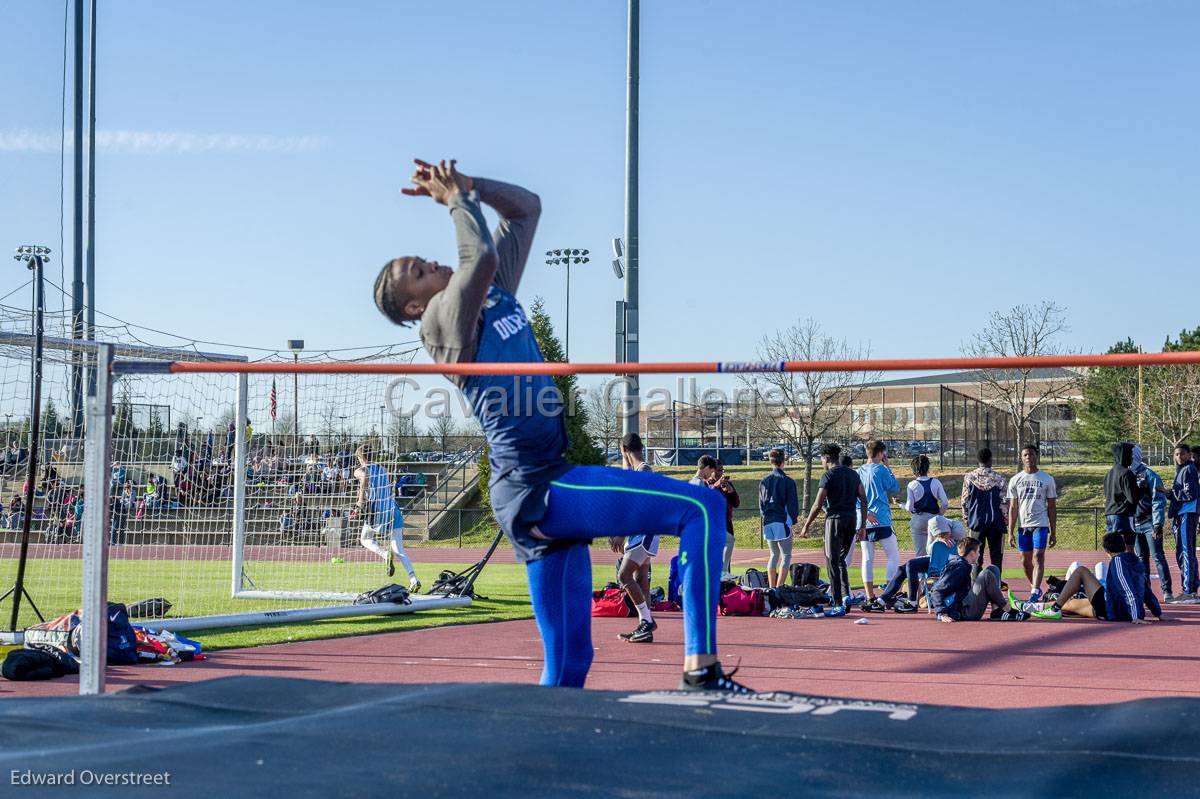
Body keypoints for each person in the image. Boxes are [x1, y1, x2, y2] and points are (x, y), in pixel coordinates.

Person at [373, 159, 743, 691]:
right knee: (702, 506)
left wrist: (473, 186)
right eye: (418, 270)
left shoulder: (492, 293)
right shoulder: (439, 323)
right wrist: (455, 199)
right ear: (413, 305)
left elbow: (527, 209)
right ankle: (702, 669)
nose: (431, 262)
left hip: (538, 488)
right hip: (538, 486)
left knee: (570, 665)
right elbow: (478, 253)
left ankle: (536, 752)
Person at [1022, 533, 1163, 623]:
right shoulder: (1136, 561)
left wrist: (1135, 616)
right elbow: (1146, 590)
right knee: (1072, 606)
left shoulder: (1118, 561)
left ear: (1107, 551)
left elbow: (1126, 588)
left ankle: (1051, 609)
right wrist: (1157, 612)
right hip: (1117, 606)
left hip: (1114, 611)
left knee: (1081, 572)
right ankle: (1039, 607)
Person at [799, 443, 867, 611]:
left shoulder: (828, 475)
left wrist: (806, 525)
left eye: (821, 459)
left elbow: (817, 504)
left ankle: (837, 603)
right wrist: (863, 525)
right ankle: (846, 596)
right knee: (841, 560)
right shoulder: (853, 475)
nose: (821, 462)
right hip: (851, 519)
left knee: (832, 561)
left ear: (826, 458)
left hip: (834, 520)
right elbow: (863, 499)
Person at [607, 432, 659, 644]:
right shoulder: (639, 471)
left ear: (626, 451)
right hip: (643, 533)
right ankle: (644, 627)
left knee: (624, 576)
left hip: (644, 533)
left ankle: (647, 621)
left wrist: (620, 534)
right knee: (640, 582)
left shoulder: (644, 470)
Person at [353, 444, 420, 592]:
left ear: (360, 457)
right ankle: (414, 579)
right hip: (393, 509)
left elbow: (364, 476)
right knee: (399, 549)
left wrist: (360, 500)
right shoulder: (383, 469)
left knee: (365, 539)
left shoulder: (360, 470)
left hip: (378, 510)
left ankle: (384, 554)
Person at [865, 515, 966, 612]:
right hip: (934, 560)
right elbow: (929, 550)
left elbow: (962, 551)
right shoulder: (931, 525)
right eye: (939, 535)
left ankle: (912, 602)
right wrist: (938, 542)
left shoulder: (958, 528)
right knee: (902, 569)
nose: (944, 537)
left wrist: (946, 545)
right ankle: (881, 601)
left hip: (950, 563)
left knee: (911, 564)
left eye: (944, 534)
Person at [929, 538, 1028, 622]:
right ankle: (1007, 608)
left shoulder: (963, 565)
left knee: (993, 569)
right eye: (978, 552)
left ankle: (996, 611)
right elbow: (936, 589)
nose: (979, 555)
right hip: (964, 612)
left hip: (964, 603)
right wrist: (942, 614)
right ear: (972, 554)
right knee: (986, 574)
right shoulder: (958, 567)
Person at [1007, 444, 1058, 603]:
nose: (1028, 457)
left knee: (1038, 557)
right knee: (1025, 560)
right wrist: (1010, 532)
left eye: (1031, 454)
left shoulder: (1047, 479)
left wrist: (1053, 531)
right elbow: (1013, 507)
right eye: (1025, 455)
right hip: (1023, 527)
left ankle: (1035, 592)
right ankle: (1034, 586)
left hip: (1040, 524)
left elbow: (1051, 506)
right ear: (1021, 458)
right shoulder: (1015, 480)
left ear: (1036, 456)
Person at [856, 440, 901, 600]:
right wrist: (888, 467)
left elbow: (854, 496)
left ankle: (869, 595)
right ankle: (888, 595)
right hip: (881, 517)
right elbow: (895, 486)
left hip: (864, 519)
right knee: (893, 555)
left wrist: (865, 513)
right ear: (881, 454)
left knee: (867, 558)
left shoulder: (858, 471)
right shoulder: (881, 469)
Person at [1130, 445, 1173, 601]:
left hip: (1149, 523)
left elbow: (1158, 501)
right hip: (1135, 523)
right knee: (1141, 559)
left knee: (1158, 557)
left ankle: (1167, 591)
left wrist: (1157, 524)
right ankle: (1145, 592)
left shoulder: (1149, 474)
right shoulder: (1127, 475)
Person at [961, 447, 1008, 579]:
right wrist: (1005, 520)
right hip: (996, 522)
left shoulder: (969, 478)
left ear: (978, 460)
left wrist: (967, 519)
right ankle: (996, 586)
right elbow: (1004, 502)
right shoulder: (999, 479)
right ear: (990, 460)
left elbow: (964, 500)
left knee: (974, 556)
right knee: (996, 557)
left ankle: (975, 587)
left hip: (976, 522)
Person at [759, 448, 799, 588]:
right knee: (786, 555)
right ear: (783, 462)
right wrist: (793, 520)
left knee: (773, 554)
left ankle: (771, 587)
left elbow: (761, 504)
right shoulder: (788, 481)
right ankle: (779, 587)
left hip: (768, 520)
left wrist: (766, 516)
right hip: (782, 520)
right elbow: (792, 504)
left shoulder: (764, 480)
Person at [1168, 443, 1199, 601]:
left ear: (1188, 455)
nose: (1179, 457)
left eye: (1182, 454)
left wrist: (1169, 492)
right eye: (1176, 454)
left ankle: (1189, 590)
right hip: (1183, 513)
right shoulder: (1183, 470)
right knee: (1186, 552)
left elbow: (1190, 493)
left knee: (1186, 552)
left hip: (1186, 513)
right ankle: (1191, 589)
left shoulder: (1188, 470)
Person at [904, 454, 948, 557]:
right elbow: (945, 503)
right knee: (936, 553)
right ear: (927, 467)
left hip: (918, 520)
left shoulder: (912, 485)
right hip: (934, 519)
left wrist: (901, 505)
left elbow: (909, 507)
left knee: (920, 554)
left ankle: (920, 573)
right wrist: (940, 514)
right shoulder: (936, 482)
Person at [1103, 442, 1143, 549]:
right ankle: (1127, 565)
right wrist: (1142, 488)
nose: (1131, 457)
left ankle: (1115, 565)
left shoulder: (1108, 474)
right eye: (1130, 454)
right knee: (1128, 548)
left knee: (1112, 547)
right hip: (1123, 515)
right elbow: (1132, 498)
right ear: (1124, 455)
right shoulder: (1126, 473)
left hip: (1110, 513)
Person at [711, 460, 740, 575]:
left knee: (726, 555)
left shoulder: (726, 483)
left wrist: (730, 491)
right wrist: (716, 485)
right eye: (718, 470)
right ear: (711, 470)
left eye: (722, 470)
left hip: (726, 522)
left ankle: (725, 578)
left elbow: (737, 503)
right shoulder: (706, 483)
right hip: (714, 523)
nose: (721, 474)